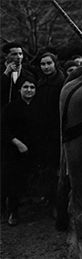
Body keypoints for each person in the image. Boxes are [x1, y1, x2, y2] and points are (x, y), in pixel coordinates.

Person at [1, 76, 44, 225]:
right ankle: (13, 211)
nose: (29, 90)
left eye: (32, 87)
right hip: (15, 151)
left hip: (36, 149)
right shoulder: (11, 108)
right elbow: (4, 130)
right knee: (14, 180)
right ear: (20, 89)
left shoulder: (40, 107)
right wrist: (18, 143)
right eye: (26, 87)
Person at [36, 52, 65, 208]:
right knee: (47, 166)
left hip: (58, 131)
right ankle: (49, 197)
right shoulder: (40, 83)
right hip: (43, 132)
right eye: (43, 64)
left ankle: (59, 202)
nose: (46, 67)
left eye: (49, 63)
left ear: (55, 64)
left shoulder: (62, 82)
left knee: (59, 168)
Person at [1, 42, 36, 107]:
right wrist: (6, 73)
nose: (19, 57)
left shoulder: (29, 73)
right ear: (6, 56)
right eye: (14, 54)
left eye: (20, 54)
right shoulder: (2, 71)